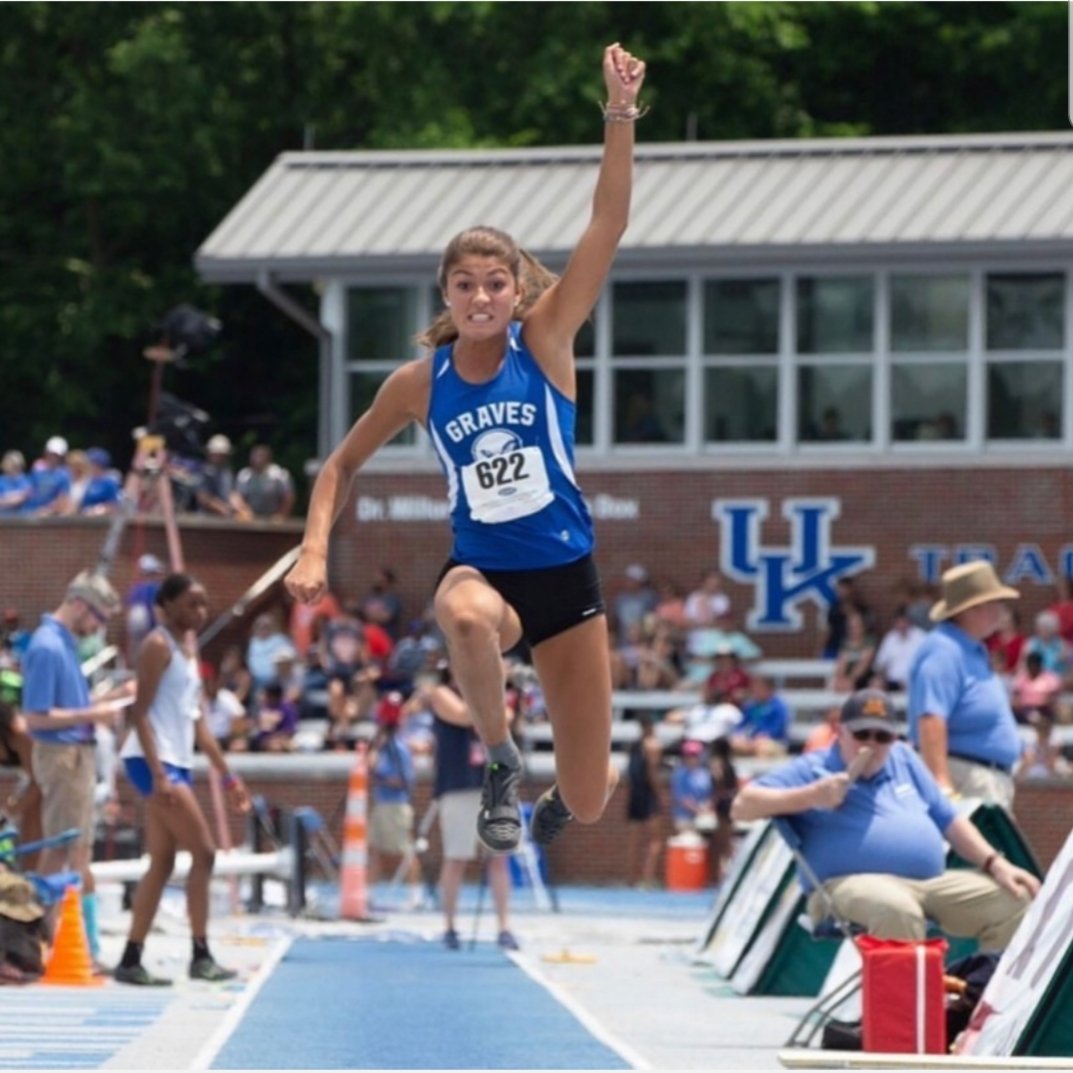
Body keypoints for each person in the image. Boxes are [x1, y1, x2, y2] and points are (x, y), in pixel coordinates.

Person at [285, 43, 648, 855]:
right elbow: (339, 466)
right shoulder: (419, 383)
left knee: (591, 799)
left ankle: (561, 791)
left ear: (516, 291)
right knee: (459, 612)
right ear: (445, 294)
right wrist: (313, 551)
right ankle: (500, 758)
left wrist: (618, 112)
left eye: (494, 284)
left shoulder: (547, 341)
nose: (481, 297)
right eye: (465, 285)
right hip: (485, 571)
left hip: (564, 578)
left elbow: (609, 222)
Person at [731, 689, 1039, 949]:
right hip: (844, 886)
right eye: (862, 733)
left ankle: (979, 1004)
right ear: (840, 732)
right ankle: (904, 1014)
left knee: (1016, 899)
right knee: (897, 909)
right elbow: (742, 807)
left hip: (927, 882)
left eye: (883, 735)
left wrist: (996, 864)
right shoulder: (814, 768)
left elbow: (948, 819)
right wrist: (811, 796)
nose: (872, 744)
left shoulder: (904, 759)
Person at [114, 573, 250, 986]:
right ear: (167, 605)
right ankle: (200, 953)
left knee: (163, 862)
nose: (200, 611)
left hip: (174, 761)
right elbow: (138, 712)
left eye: (203, 604)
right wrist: (158, 773)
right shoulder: (157, 646)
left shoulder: (187, 652)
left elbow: (199, 727)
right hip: (154, 762)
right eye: (192, 603)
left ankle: (131, 958)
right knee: (205, 854)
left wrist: (228, 779)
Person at [19, 570, 127, 970]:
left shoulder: (63, 644)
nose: (98, 629)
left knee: (74, 850)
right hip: (62, 755)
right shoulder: (48, 647)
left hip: (74, 753)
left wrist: (107, 701)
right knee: (63, 850)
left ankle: (74, 941)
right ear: (80, 605)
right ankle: (52, 941)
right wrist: (94, 713)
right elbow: (37, 716)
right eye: (98, 618)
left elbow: (64, 705)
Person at [908, 561, 1023, 810]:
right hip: (965, 780)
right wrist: (942, 785)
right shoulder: (944, 650)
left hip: (980, 778)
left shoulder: (967, 649)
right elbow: (931, 719)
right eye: (993, 603)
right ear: (969, 609)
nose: (1000, 611)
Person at [421, 664, 518, 950]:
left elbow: (508, 717)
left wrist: (495, 688)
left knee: (499, 858)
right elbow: (465, 716)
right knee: (457, 857)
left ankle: (504, 926)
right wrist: (491, 703)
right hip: (458, 783)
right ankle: (450, 926)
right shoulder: (441, 693)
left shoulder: (490, 694)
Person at [367, 692, 421, 906]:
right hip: (382, 804)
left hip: (396, 805)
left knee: (403, 851)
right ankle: (368, 894)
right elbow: (370, 765)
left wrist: (380, 776)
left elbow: (404, 779)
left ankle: (414, 894)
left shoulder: (399, 747)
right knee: (374, 850)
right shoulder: (383, 745)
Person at [625, 714, 663, 888]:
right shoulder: (652, 746)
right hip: (648, 795)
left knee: (634, 839)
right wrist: (660, 794)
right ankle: (648, 878)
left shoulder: (633, 746)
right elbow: (651, 773)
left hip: (635, 794)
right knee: (655, 840)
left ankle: (631, 878)